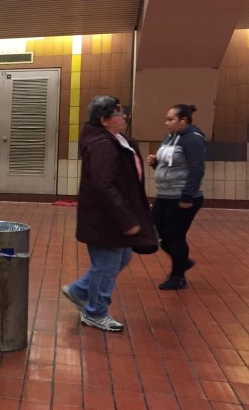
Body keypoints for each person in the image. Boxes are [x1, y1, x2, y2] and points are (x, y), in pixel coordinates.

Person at [62, 96, 155, 332]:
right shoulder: (103, 145)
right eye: (118, 113)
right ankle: (95, 313)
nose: (124, 116)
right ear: (104, 120)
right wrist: (125, 218)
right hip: (105, 218)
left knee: (121, 257)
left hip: (110, 216)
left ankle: (80, 290)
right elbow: (104, 185)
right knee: (108, 264)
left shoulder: (115, 140)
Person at [146, 104, 205, 290]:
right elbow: (171, 166)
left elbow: (197, 168)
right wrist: (155, 164)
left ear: (183, 121)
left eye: (170, 119)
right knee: (156, 232)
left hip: (183, 197)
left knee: (175, 236)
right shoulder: (170, 138)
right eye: (166, 119)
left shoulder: (192, 140)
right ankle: (182, 261)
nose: (166, 123)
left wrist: (187, 197)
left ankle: (178, 276)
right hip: (165, 196)